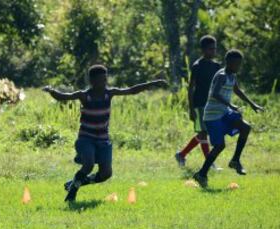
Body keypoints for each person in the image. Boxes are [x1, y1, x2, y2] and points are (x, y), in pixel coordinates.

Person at [43, 64, 167, 202]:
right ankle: (72, 192)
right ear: (92, 81)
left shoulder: (109, 93)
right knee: (88, 165)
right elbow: (63, 97)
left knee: (106, 174)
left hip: (103, 140)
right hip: (86, 138)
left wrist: (153, 83)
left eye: (105, 79)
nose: (104, 83)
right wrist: (51, 91)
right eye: (101, 80)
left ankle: (75, 182)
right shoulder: (84, 96)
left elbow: (132, 90)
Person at [193, 50, 264, 188]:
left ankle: (235, 160)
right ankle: (201, 174)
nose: (238, 66)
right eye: (236, 64)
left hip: (224, 112)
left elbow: (237, 90)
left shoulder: (232, 76)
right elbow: (215, 93)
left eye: (240, 64)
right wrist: (230, 104)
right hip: (213, 115)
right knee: (219, 146)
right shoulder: (222, 75)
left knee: (245, 127)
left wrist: (252, 104)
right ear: (229, 62)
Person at [175, 35, 222, 170]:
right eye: (210, 49)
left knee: (203, 133)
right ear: (203, 50)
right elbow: (191, 88)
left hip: (212, 105)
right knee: (203, 134)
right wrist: (190, 108)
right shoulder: (197, 66)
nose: (213, 51)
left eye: (214, 49)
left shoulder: (217, 66)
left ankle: (181, 154)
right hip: (199, 104)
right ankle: (209, 162)